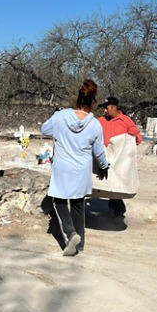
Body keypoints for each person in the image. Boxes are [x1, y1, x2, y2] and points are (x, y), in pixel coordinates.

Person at [41, 79, 110, 256]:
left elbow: (45, 129)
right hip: (81, 169)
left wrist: (56, 118)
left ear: (78, 99)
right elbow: (99, 151)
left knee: (59, 200)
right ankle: (80, 244)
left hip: (62, 166)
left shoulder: (61, 116)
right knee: (79, 204)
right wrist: (104, 166)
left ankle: (70, 232)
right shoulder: (95, 124)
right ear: (92, 102)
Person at [98, 96, 142, 219]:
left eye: (106, 108)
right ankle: (116, 211)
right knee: (106, 183)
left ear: (114, 107)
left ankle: (117, 212)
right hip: (104, 158)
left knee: (116, 186)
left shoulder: (126, 121)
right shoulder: (100, 121)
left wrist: (132, 138)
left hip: (120, 160)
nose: (104, 111)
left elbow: (137, 138)